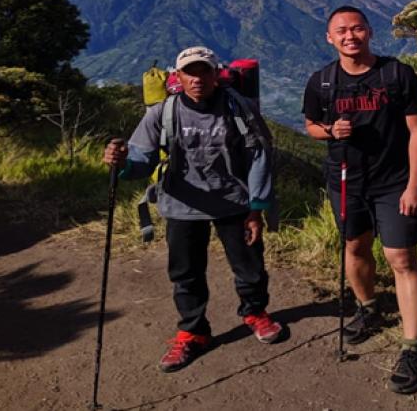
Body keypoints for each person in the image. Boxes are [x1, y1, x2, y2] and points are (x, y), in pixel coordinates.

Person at [102, 46, 283, 373]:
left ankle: (255, 312)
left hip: (234, 202)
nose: (197, 79)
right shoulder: (162, 112)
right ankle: (193, 331)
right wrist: (122, 165)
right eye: (189, 72)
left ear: (216, 75)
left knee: (250, 265)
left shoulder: (237, 107)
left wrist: (256, 209)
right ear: (178, 77)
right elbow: (142, 159)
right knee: (185, 273)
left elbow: (259, 156)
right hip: (182, 204)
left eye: (204, 71)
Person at [302, 5, 417, 394]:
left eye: (357, 28)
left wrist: (414, 184)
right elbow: (310, 126)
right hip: (345, 180)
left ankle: (412, 348)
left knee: (402, 258)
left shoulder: (396, 74)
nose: (349, 36)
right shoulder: (321, 82)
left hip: (393, 182)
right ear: (329, 38)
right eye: (341, 31)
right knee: (355, 246)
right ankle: (368, 307)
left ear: (369, 32)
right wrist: (330, 130)